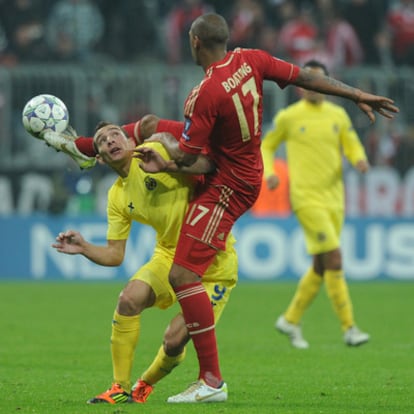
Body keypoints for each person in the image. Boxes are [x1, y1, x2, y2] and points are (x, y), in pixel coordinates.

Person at [135, 12, 398, 403]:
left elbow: (192, 157)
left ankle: (211, 380)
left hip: (230, 183)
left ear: (194, 42)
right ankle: (92, 146)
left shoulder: (205, 93)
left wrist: (167, 163)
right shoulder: (251, 59)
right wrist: (356, 93)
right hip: (249, 167)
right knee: (151, 124)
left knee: (184, 275)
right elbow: (306, 77)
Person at [48, 120, 238, 404]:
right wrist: (85, 247)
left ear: (131, 142)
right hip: (169, 255)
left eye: (116, 134)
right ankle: (119, 387)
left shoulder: (155, 150)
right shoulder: (116, 196)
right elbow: (115, 255)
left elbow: (208, 163)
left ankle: (144, 384)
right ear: (98, 157)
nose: (111, 140)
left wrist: (173, 162)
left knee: (173, 340)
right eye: (102, 140)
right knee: (128, 299)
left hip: (213, 261)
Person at [261, 59, 370, 349]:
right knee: (335, 258)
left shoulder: (338, 115)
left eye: (319, 80)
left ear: (326, 84)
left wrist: (358, 158)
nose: (313, 88)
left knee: (321, 265)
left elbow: (351, 142)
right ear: (301, 87)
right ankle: (349, 327)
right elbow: (267, 145)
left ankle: (290, 319)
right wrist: (270, 173)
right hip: (306, 198)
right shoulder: (289, 117)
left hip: (335, 198)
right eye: (308, 81)